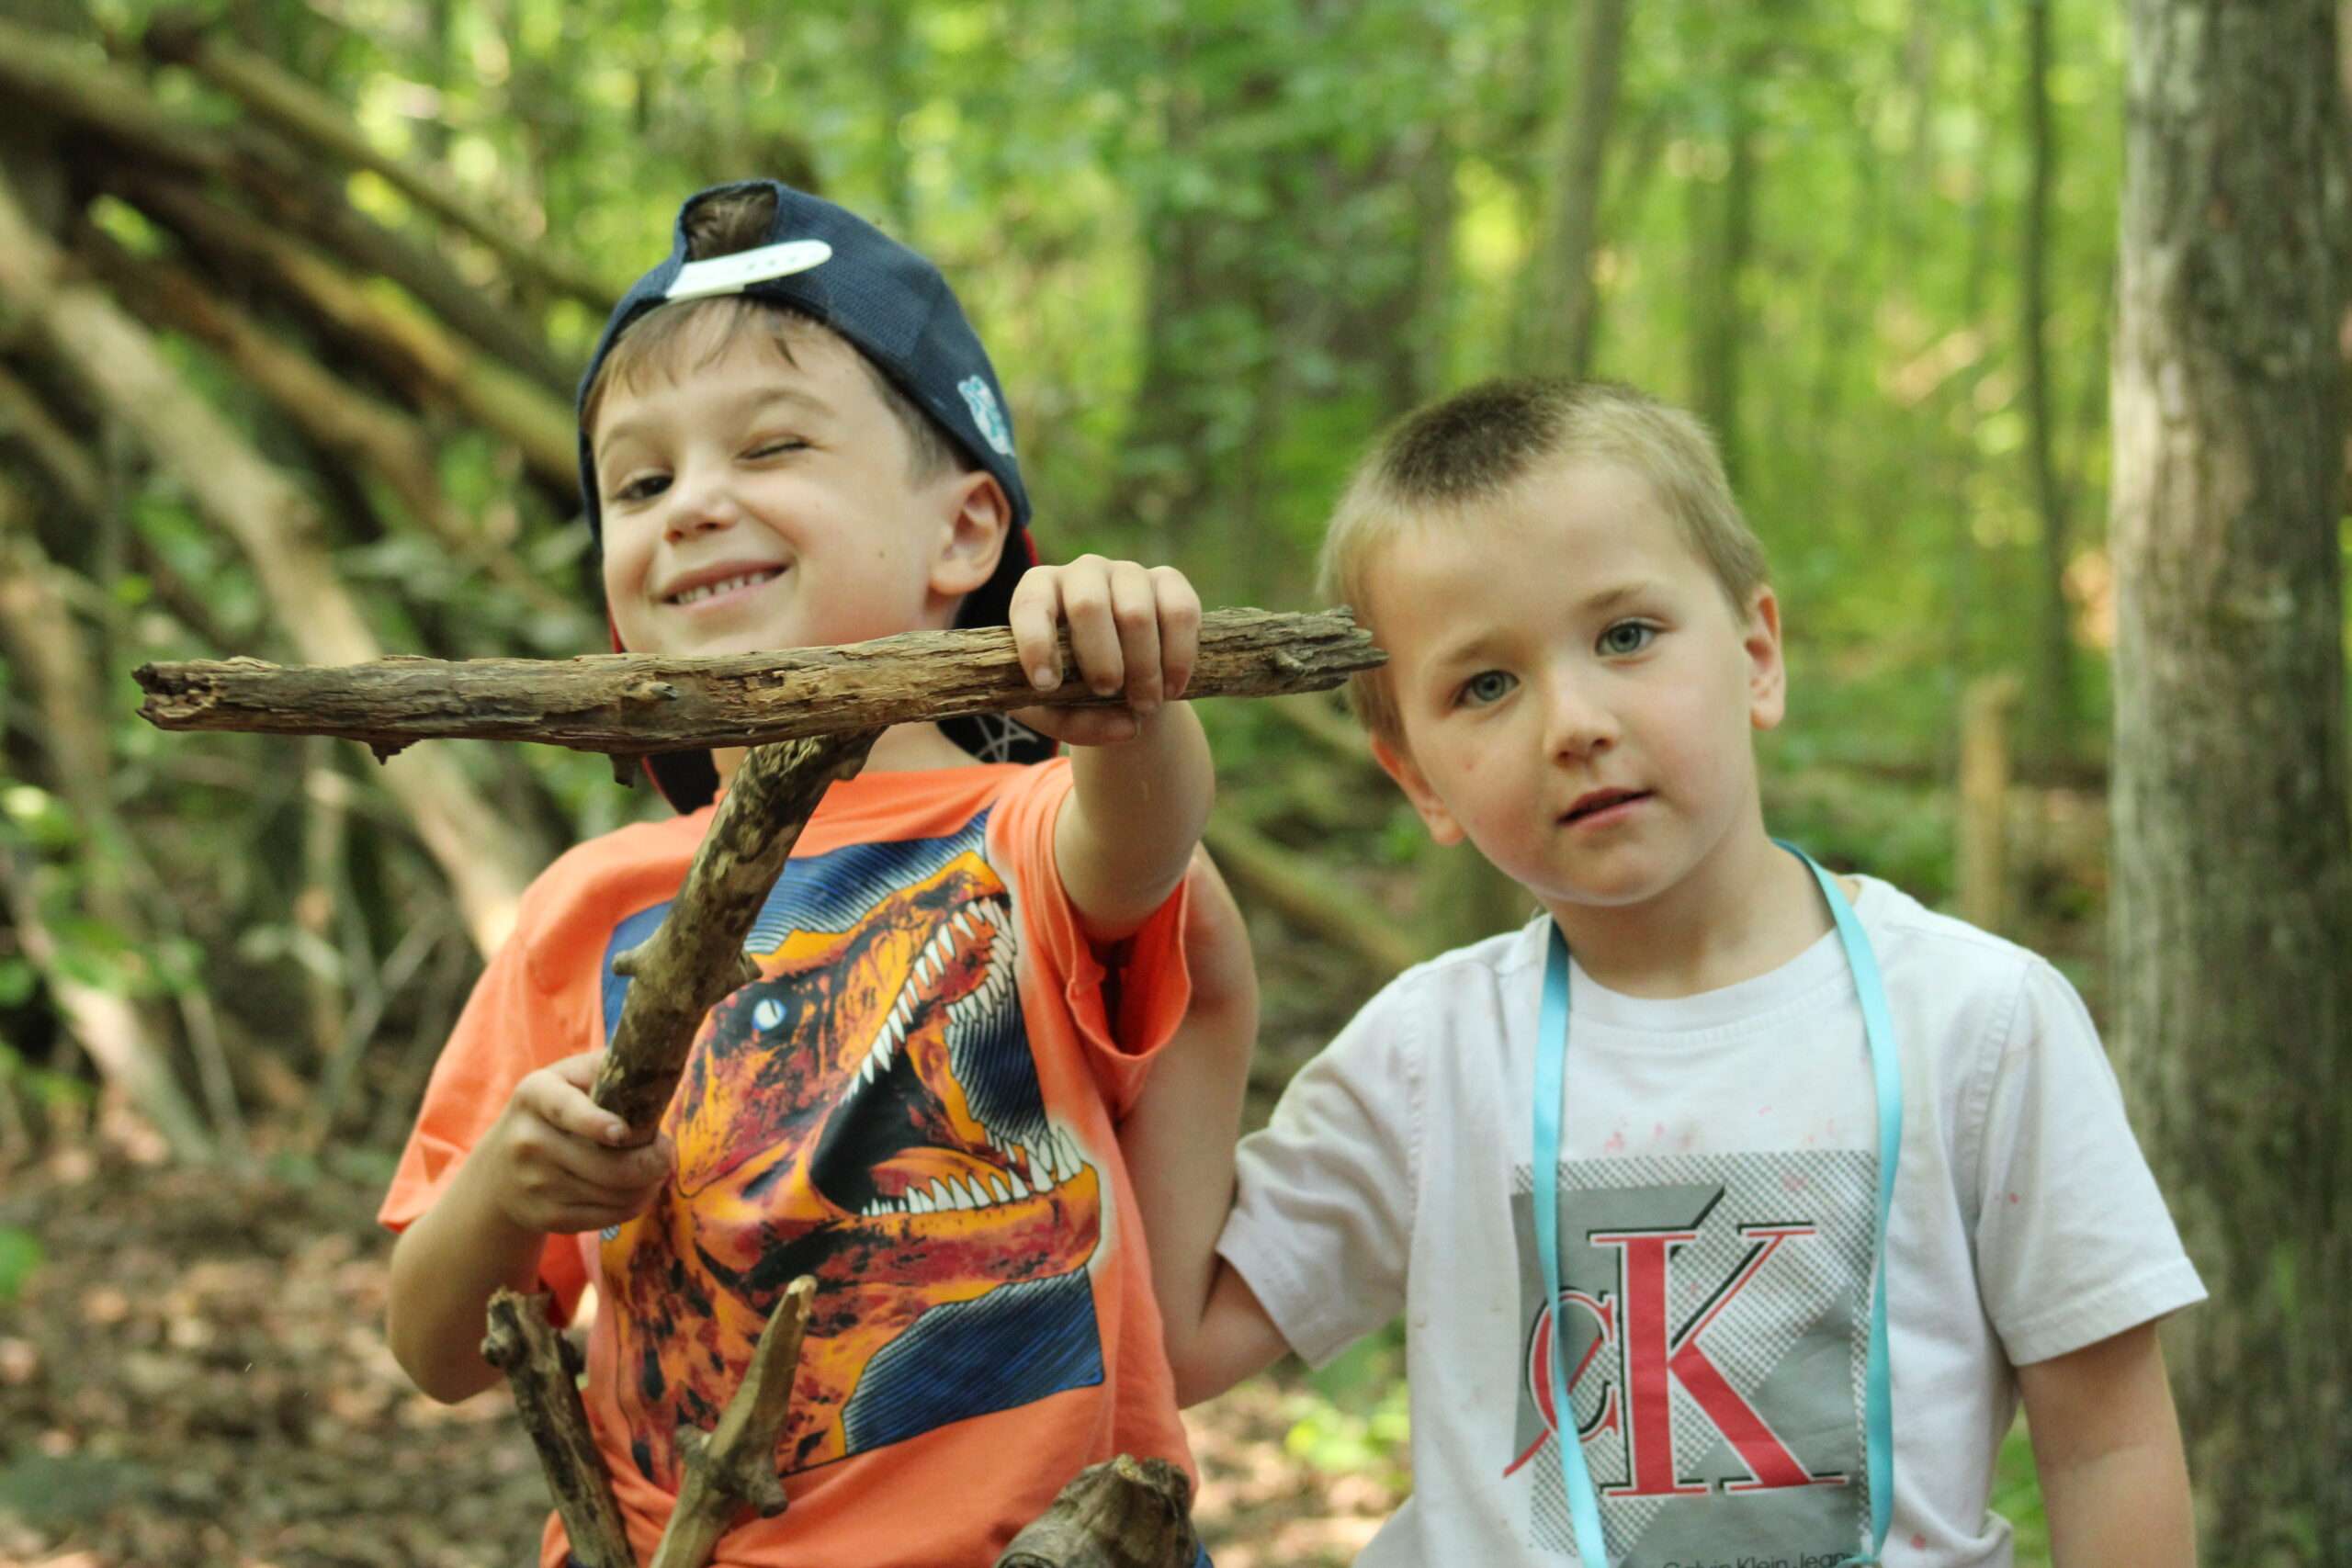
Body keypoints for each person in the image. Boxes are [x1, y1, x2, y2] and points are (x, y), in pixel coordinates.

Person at [1148, 378, 2205, 1567]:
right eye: (1485, 685)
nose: (1574, 722)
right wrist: (1199, 984)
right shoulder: (1428, 1057)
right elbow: (1181, 1343)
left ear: (1758, 656)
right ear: (1419, 779)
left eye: (1626, 637)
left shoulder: (1980, 1023)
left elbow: (2108, 1443)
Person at [378, 178, 1252, 1568]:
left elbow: (1144, 837)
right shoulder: (586, 908)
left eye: (772, 446)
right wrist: (505, 1188)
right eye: (641, 484)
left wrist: (1127, 687)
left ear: (964, 533)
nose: (692, 507)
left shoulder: (1032, 829)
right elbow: (434, 1347)